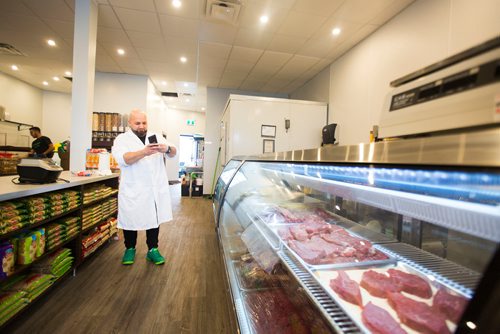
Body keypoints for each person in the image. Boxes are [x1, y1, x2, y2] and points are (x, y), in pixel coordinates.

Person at [112, 110, 177, 265]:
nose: (141, 126)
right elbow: (124, 159)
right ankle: (130, 249)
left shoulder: (156, 136)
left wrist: (166, 149)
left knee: (153, 218)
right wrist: (144, 152)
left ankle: (153, 250)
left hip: (154, 188)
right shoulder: (122, 139)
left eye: (144, 123)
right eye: (137, 123)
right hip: (133, 188)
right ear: (130, 123)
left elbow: (174, 152)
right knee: (130, 218)